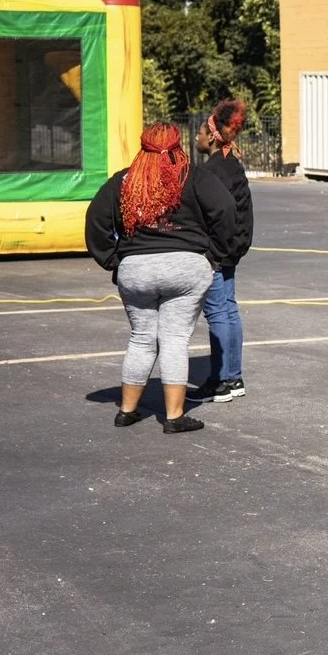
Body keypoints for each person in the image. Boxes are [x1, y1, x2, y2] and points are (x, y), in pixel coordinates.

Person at [85, 122, 236, 434]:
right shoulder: (193, 176)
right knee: (174, 340)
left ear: (143, 146)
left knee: (141, 338)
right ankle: (174, 415)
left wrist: (113, 261)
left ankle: (126, 410)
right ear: (177, 145)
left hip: (136, 268)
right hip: (185, 267)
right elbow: (225, 210)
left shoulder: (124, 180)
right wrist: (214, 256)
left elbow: (95, 221)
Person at [187, 99, 254, 405]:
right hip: (231, 248)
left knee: (217, 312)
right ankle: (233, 376)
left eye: (201, 131)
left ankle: (222, 381)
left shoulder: (212, 170)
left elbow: (217, 213)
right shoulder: (232, 165)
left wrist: (210, 251)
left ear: (212, 136)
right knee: (228, 308)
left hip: (217, 250)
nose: (197, 136)